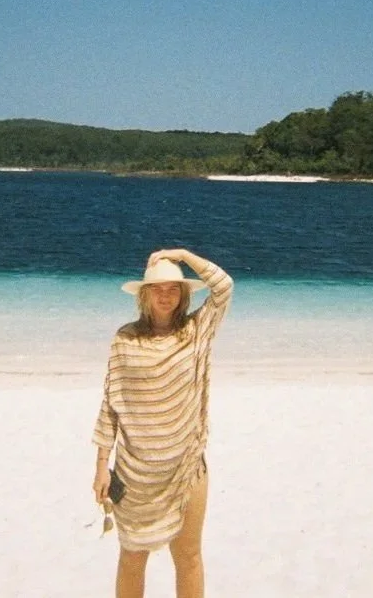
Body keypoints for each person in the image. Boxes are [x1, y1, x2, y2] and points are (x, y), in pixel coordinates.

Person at [92, 247, 234, 598]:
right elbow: (111, 406)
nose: (166, 295)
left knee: (188, 557)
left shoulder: (196, 331)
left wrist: (182, 254)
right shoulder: (125, 339)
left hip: (186, 469)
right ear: (145, 294)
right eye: (158, 288)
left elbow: (223, 286)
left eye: (174, 288)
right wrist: (101, 466)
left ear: (184, 295)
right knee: (132, 558)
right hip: (134, 473)